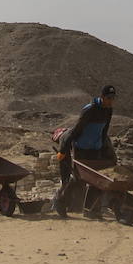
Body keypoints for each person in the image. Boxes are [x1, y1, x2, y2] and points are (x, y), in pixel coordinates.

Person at [55, 85, 117, 218]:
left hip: (95, 149)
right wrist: (63, 150)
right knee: (78, 179)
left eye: (113, 98)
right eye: (109, 98)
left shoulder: (108, 110)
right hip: (81, 148)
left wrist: (104, 148)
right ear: (102, 97)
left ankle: (90, 210)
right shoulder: (90, 109)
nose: (111, 101)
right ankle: (60, 202)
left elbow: (104, 130)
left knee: (97, 179)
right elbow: (77, 129)